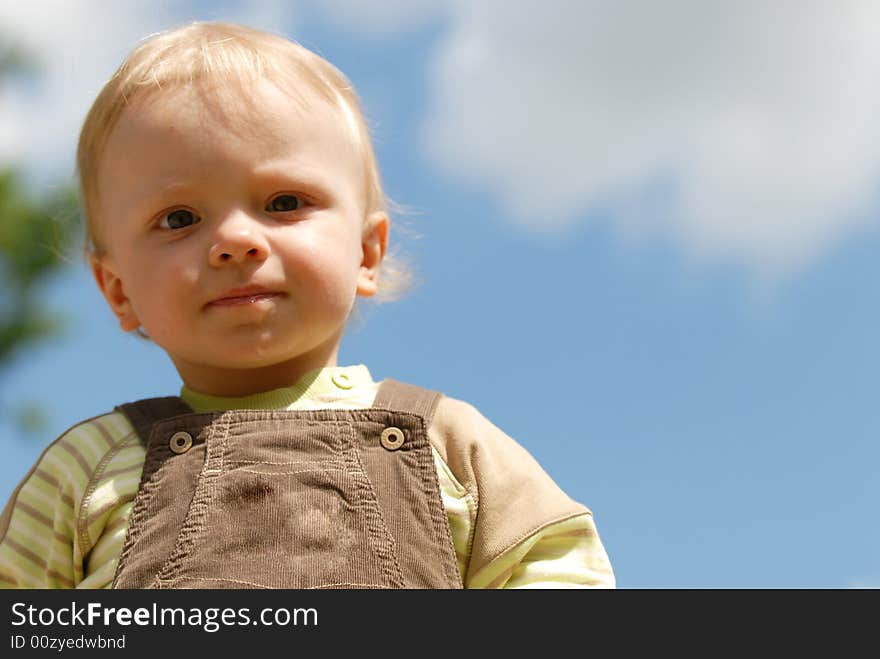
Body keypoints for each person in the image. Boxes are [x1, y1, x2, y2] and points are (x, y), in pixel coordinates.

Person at [0, 22, 614, 589]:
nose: (237, 240)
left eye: (285, 202)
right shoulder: (85, 470)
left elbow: (558, 567)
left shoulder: (449, 443)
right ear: (118, 291)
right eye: (180, 218)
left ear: (366, 253)